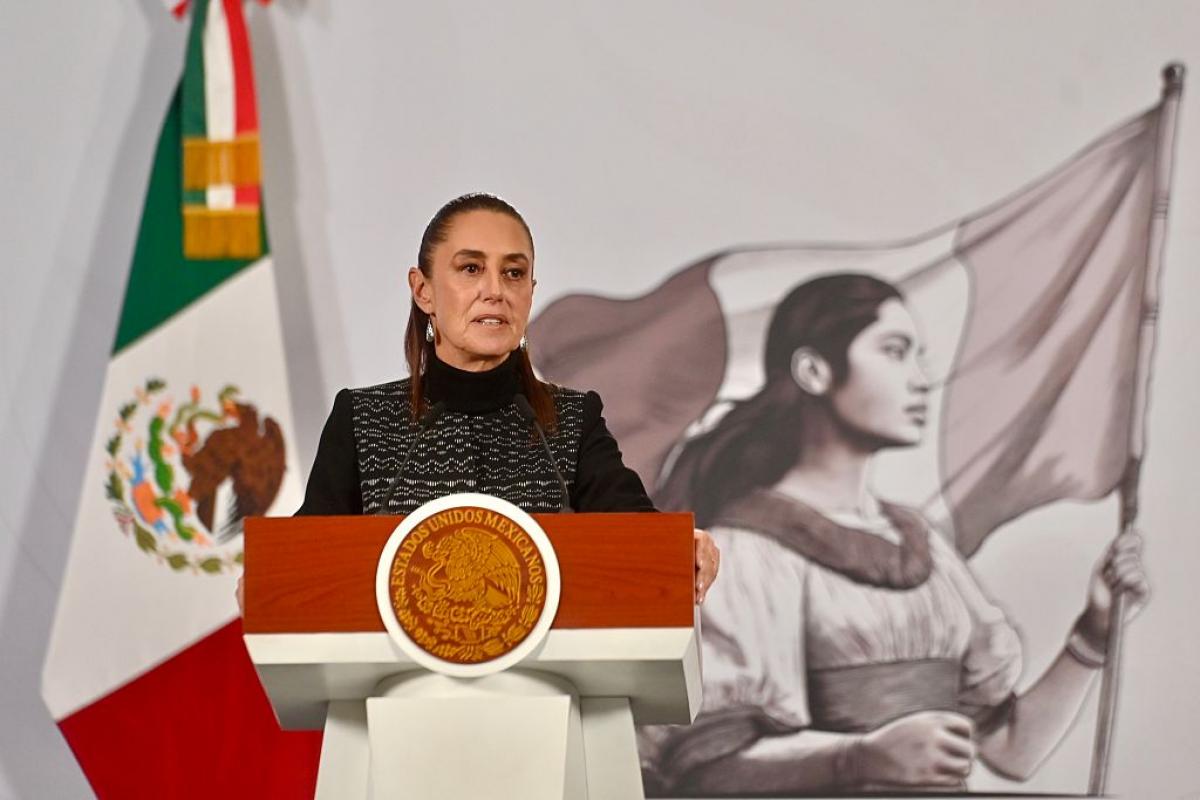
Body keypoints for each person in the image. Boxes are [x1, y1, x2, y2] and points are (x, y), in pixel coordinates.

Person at [639, 274, 1149, 795]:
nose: (923, 378)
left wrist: (1093, 632)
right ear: (814, 371)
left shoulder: (923, 547)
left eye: (919, 355)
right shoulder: (746, 554)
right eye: (895, 351)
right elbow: (706, 770)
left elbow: (1011, 751)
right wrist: (858, 758)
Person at [289, 192, 719, 601]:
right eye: (471, 269)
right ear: (423, 291)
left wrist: (681, 546)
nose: (495, 290)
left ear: (530, 292)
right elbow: (304, 559)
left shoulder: (571, 421)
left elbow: (635, 532)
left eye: (513, 273)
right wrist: (270, 577)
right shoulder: (364, 420)